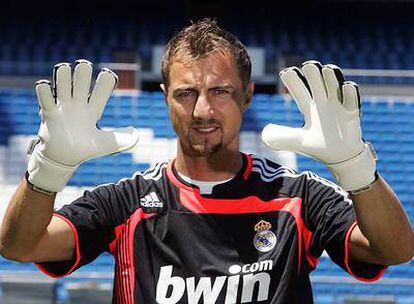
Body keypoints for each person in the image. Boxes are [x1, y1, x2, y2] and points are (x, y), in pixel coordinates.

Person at [0, 18, 413, 304]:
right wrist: (47, 170)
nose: (202, 111)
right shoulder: (125, 203)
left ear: (247, 96)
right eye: (186, 94)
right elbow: (20, 246)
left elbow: (394, 251)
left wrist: (358, 169)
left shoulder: (299, 198)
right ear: (164, 96)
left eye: (220, 92)